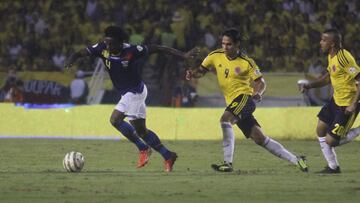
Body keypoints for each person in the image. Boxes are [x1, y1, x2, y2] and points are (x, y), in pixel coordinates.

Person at [64, 25, 199, 172]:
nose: (108, 46)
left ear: (120, 43)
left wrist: (183, 55)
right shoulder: (102, 47)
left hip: (134, 92)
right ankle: (168, 155)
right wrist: (72, 58)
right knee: (142, 131)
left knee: (115, 120)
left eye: (111, 44)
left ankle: (143, 148)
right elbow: (81, 52)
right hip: (131, 92)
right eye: (106, 42)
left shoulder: (132, 51)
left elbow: (158, 48)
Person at [186, 28, 308, 172]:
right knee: (260, 139)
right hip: (233, 103)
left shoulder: (246, 62)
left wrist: (258, 93)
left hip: (245, 98)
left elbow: (261, 82)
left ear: (237, 45)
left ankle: (227, 163)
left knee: (225, 120)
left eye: (229, 44)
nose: (225, 47)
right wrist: (192, 73)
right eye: (223, 43)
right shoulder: (214, 55)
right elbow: (201, 71)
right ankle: (297, 160)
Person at [300, 29, 360, 174]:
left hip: (347, 103)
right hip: (335, 100)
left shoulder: (344, 57)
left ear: (332, 43)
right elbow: (328, 77)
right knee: (320, 129)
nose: (320, 43)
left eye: (323, 40)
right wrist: (310, 85)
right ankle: (333, 167)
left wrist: (353, 104)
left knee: (331, 141)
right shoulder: (331, 56)